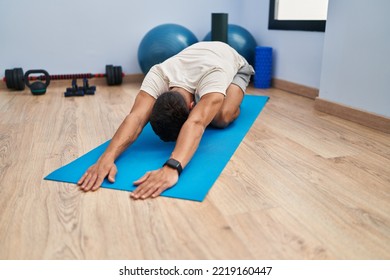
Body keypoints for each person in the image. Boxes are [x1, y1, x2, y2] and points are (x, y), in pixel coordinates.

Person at [77, 41, 254, 199]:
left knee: (221, 118)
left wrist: (172, 167)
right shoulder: (159, 73)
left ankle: (232, 98)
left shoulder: (215, 74)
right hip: (199, 53)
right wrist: (108, 156)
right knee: (208, 109)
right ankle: (207, 101)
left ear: (192, 107)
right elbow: (137, 117)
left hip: (232, 61)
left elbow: (196, 123)